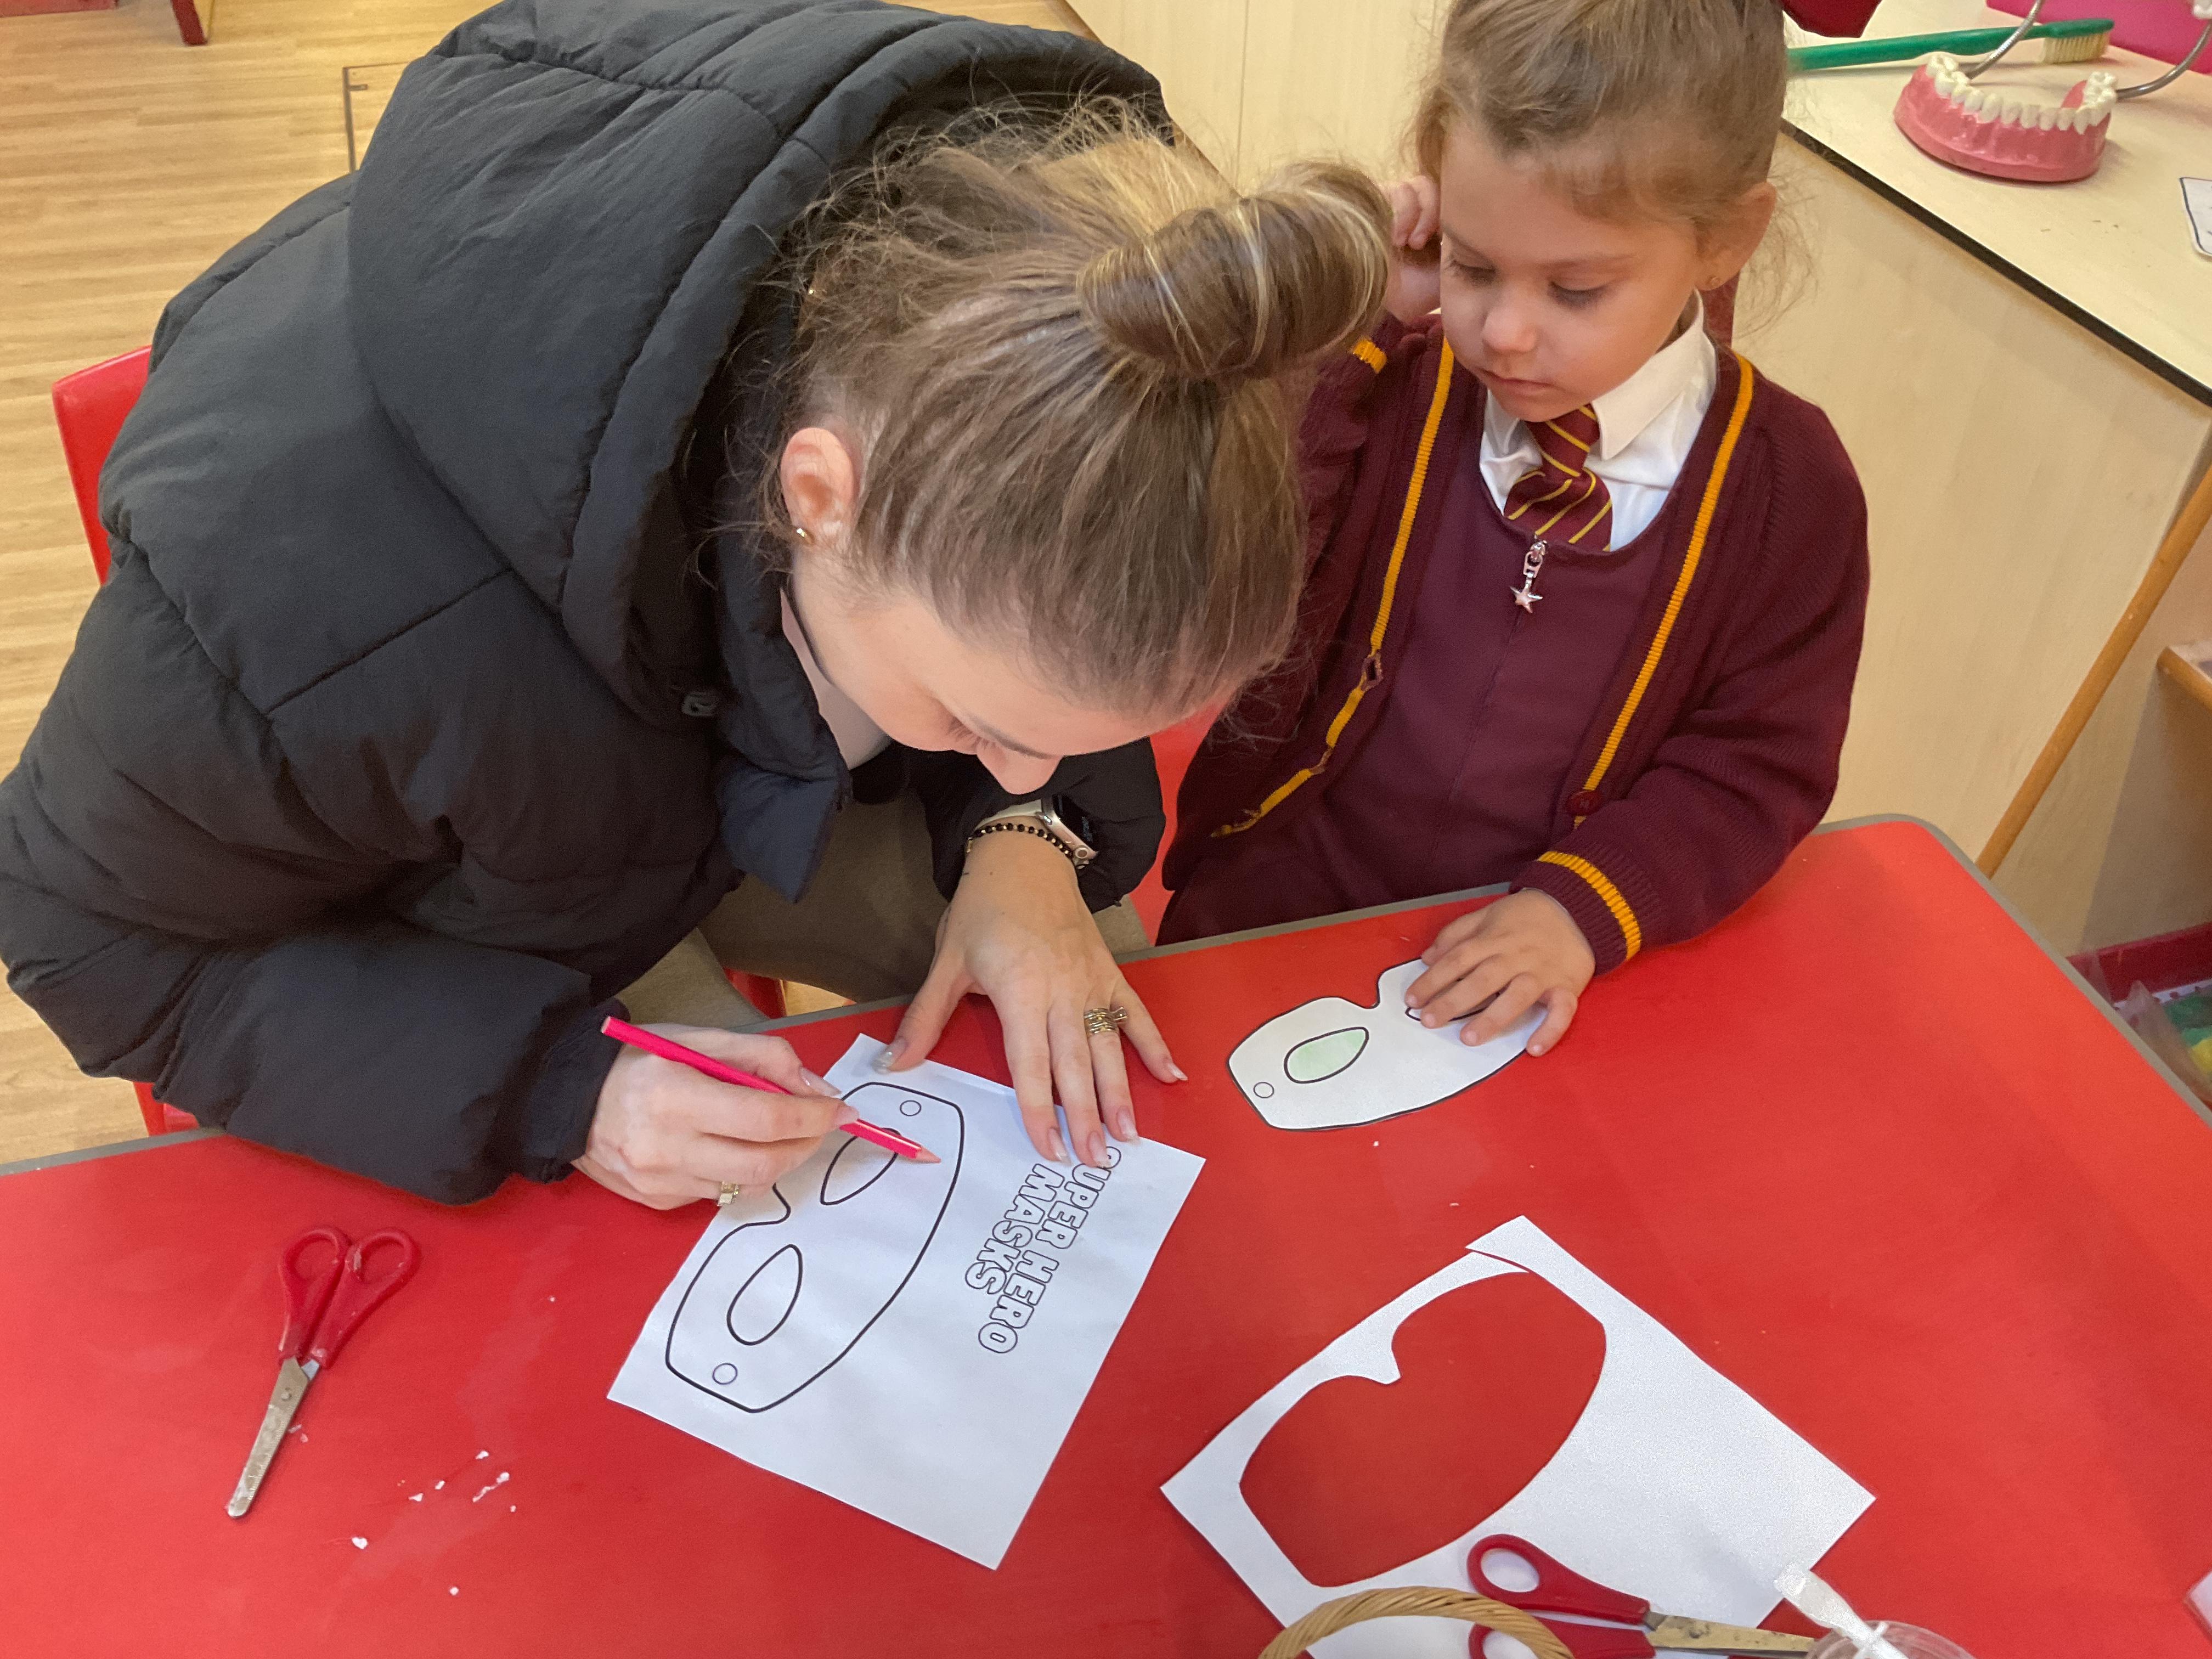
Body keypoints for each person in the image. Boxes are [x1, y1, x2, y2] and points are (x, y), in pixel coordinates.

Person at [0, 0, 1389, 1205]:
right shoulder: (296, 608)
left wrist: (1025, 835)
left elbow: (1038, 687)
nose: (1030, 766)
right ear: (818, 494)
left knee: (1092, 1019)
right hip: (466, 893)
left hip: (690, 779)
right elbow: (77, 935)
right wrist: (557, 1094)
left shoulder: (1068, 369)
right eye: (979, 720)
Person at [1161, 0, 1875, 1059]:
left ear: (1726, 241)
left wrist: (1584, 908)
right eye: (1472, 262)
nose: (1502, 332)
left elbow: (1757, 763)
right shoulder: (1394, 382)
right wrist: (1357, 328)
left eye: (1577, 289)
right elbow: (1236, 576)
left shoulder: (1790, 491)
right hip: (1277, 900)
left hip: (1539, 973)